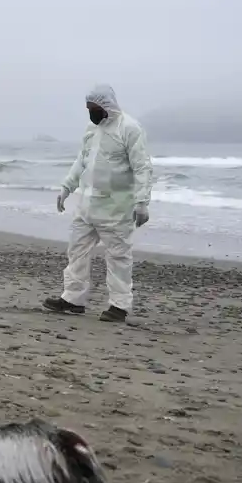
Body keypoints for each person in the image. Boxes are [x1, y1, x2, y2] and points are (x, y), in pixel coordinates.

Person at [43, 84, 154, 323]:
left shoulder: (130, 129)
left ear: (106, 106)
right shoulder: (91, 130)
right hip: (87, 204)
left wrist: (142, 201)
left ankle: (119, 305)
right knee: (77, 251)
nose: (91, 112)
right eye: (88, 108)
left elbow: (142, 167)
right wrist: (67, 187)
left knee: (118, 257)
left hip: (116, 207)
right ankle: (72, 299)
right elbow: (81, 161)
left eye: (94, 108)